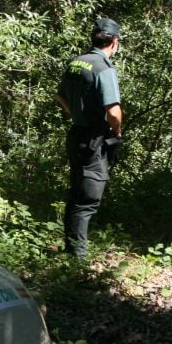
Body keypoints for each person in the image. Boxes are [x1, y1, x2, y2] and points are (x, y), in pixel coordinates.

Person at [55, 17, 124, 258]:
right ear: (114, 42)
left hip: (77, 135)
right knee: (87, 199)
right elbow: (113, 111)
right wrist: (116, 132)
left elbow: (60, 95)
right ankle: (78, 259)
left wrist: (75, 113)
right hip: (95, 139)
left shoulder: (77, 62)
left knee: (77, 193)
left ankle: (71, 250)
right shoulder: (104, 68)